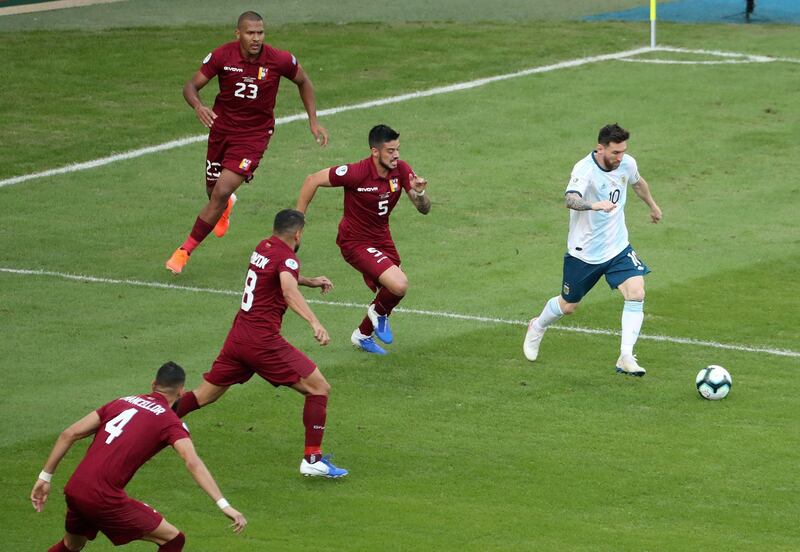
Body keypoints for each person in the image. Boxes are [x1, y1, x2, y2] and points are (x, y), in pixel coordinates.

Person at [174, 209, 348, 478]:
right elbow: (288, 290)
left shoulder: (263, 247)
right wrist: (315, 322)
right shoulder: (288, 258)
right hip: (262, 341)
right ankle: (312, 460)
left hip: (238, 336)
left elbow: (277, 275)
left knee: (205, 394)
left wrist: (309, 281)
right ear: (298, 233)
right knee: (319, 389)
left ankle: (155, 420)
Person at [166, 11, 328, 275]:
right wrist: (198, 106)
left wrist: (313, 120)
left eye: (260, 32)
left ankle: (184, 251)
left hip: (253, 136)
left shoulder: (278, 59)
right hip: (221, 132)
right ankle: (226, 205)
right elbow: (190, 86)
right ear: (238, 33)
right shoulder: (222, 56)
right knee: (213, 194)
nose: (256, 38)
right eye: (251, 33)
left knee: (220, 192)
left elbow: (304, 81)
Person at [31, 362, 246, 552]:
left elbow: (69, 433)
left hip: (76, 489)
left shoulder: (121, 402)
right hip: (103, 497)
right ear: (181, 391)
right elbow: (192, 461)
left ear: (153, 384)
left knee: (72, 545)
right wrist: (223, 504)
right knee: (173, 540)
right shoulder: (170, 422)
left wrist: (45, 477)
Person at [523, 123, 662, 375]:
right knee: (568, 306)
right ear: (601, 148)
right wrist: (593, 205)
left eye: (623, 151)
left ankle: (626, 356)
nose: (620, 157)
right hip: (584, 252)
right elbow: (570, 199)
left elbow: (638, 183)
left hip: (618, 247)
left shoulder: (627, 163)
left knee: (636, 292)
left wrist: (652, 205)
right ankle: (537, 325)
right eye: (615, 153)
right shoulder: (584, 169)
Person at [295, 124, 431, 355]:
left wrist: (419, 192)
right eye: (390, 150)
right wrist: (297, 223)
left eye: (397, 149)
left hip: (382, 238)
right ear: (375, 151)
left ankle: (362, 335)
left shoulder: (401, 170)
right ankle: (378, 315)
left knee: (392, 290)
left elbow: (424, 209)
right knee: (398, 284)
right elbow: (312, 180)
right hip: (354, 241)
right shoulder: (355, 172)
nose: (396, 155)